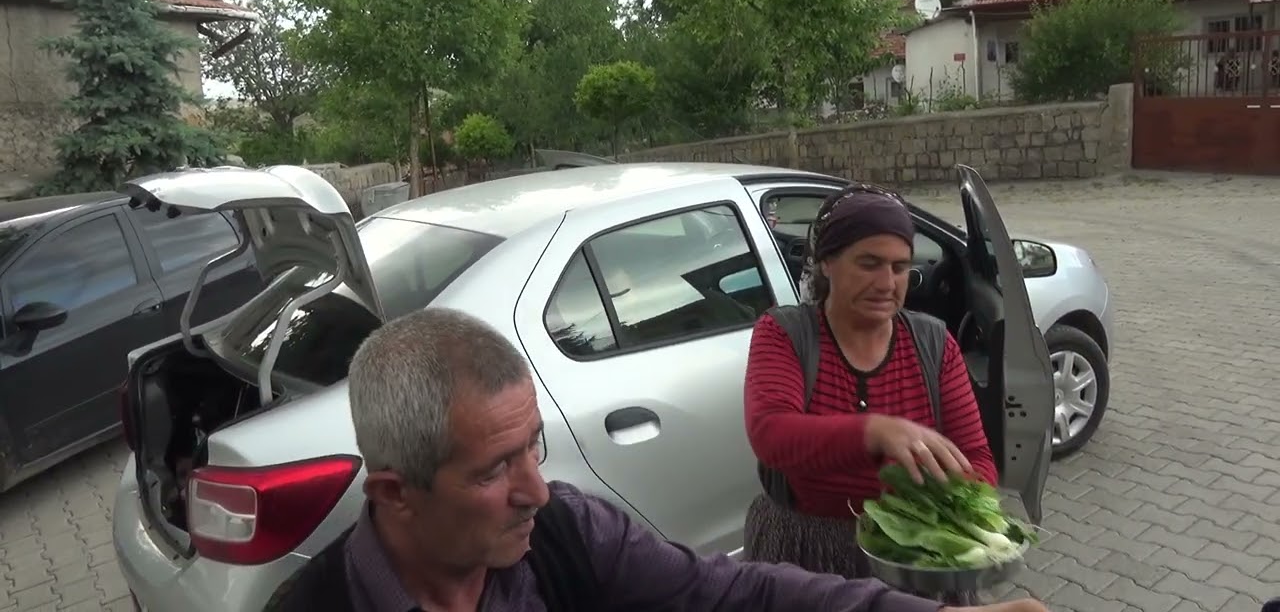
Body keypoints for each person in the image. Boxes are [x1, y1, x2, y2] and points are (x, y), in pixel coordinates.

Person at [264, 307, 1047, 612]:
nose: (538, 489)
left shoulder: (567, 534)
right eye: (493, 470)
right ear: (397, 493)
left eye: (532, 446)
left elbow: (736, 593)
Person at [743, 183, 999, 585]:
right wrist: (878, 432)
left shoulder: (934, 344)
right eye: (869, 263)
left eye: (900, 267)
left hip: (909, 553)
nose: (887, 283)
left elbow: (979, 460)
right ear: (827, 262)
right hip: (804, 553)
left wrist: (933, 506)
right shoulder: (785, 333)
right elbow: (771, 434)